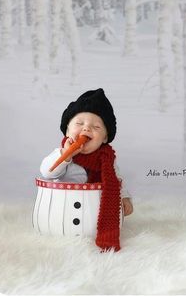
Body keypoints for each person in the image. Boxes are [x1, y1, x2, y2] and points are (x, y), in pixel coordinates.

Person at [40, 88, 133, 251]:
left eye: (96, 127)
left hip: (93, 216)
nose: (86, 129)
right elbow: (47, 172)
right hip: (63, 216)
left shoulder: (107, 159)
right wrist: (65, 155)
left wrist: (124, 197)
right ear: (67, 130)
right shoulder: (62, 154)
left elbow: (117, 180)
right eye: (79, 123)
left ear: (104, 138)